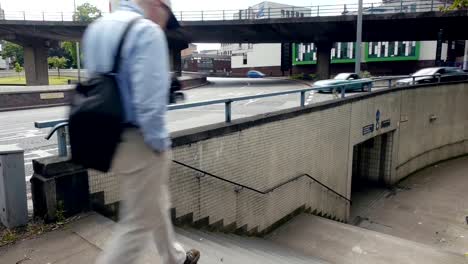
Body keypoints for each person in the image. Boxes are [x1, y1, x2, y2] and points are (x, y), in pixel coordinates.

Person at [82, 0, 200, 263]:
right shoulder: (146, 32)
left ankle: (175, 257)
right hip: (139, 139)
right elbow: (149, 102)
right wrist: (159, 144)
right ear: (158, 5)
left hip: (108, 136)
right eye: (167, 16)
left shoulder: (97, 28)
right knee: (136, 225)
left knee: (154, 198)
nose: (164, 24)